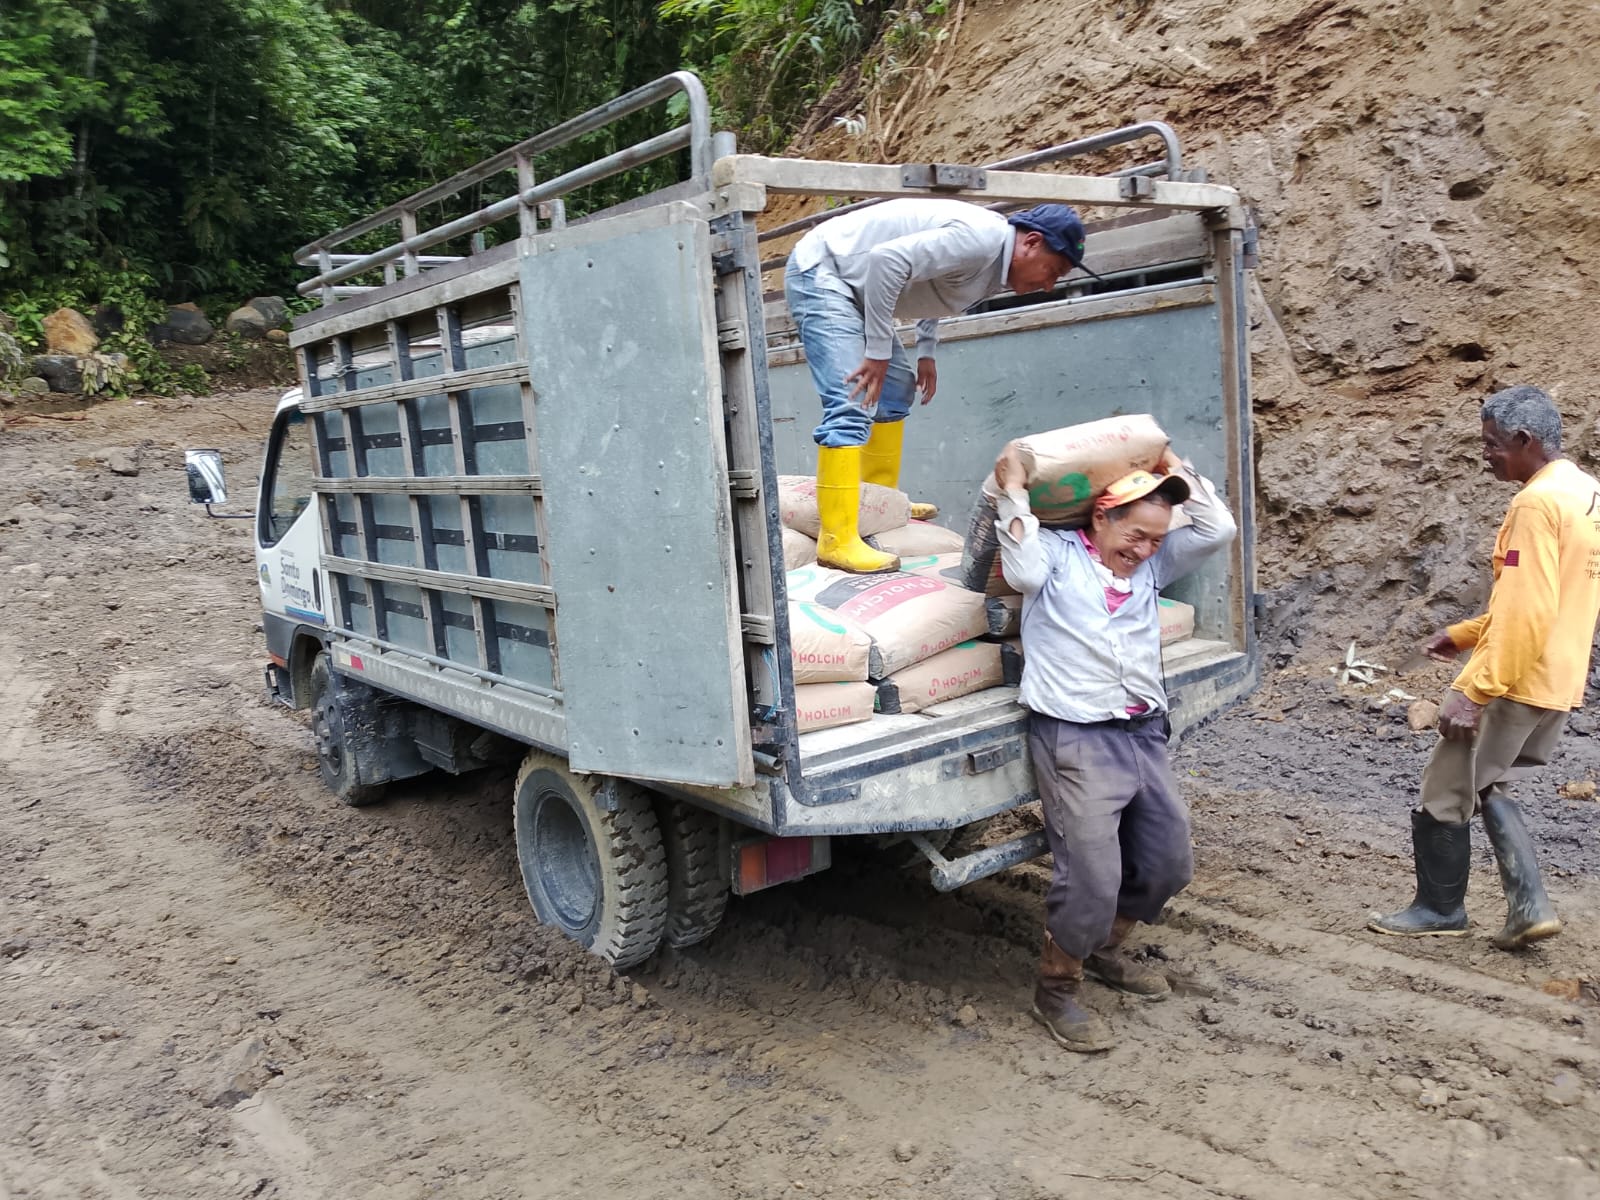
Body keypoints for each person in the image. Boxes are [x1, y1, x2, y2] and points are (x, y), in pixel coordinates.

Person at [994, 443, 1237, 1051]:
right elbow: (1021, 574)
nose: (1145, 551)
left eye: (1157, 540)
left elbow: (1218, 528)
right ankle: (1056, 991)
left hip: (1144, 732)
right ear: (1101, 518)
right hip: (1075, 735)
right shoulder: (1055, 555)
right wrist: (1015, 488)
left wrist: (1170, 462)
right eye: (1136, 536)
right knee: (1092, 878)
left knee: (1166, 864)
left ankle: (1102, 949)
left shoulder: (1150, 567)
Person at [1370, 384, 1600, 950]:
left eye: (1492, 443)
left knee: (1444, 791)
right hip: (1558, 678)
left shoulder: (1534, 504)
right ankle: (1529, 906)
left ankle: (1439, 908)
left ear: (1524, 440)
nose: (1485, 454)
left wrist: (1473, 690)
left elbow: (1527, 611)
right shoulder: (1584, 491)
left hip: (1518, 678)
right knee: (1489, 782)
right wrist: (1466, 633)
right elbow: (1554, 597)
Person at [787, 199, 1095, 574]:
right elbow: (886, 261)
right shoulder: (981, 240)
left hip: (856, 286)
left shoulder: (994, 263)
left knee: (896, 391)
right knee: (851, 399)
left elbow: (931, 287)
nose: (1048, 285)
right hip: (825, 271)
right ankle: (837, 539)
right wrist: (879, 351)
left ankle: (879, 505)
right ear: (1031, 242)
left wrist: (926, 351)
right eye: (1053, 270)